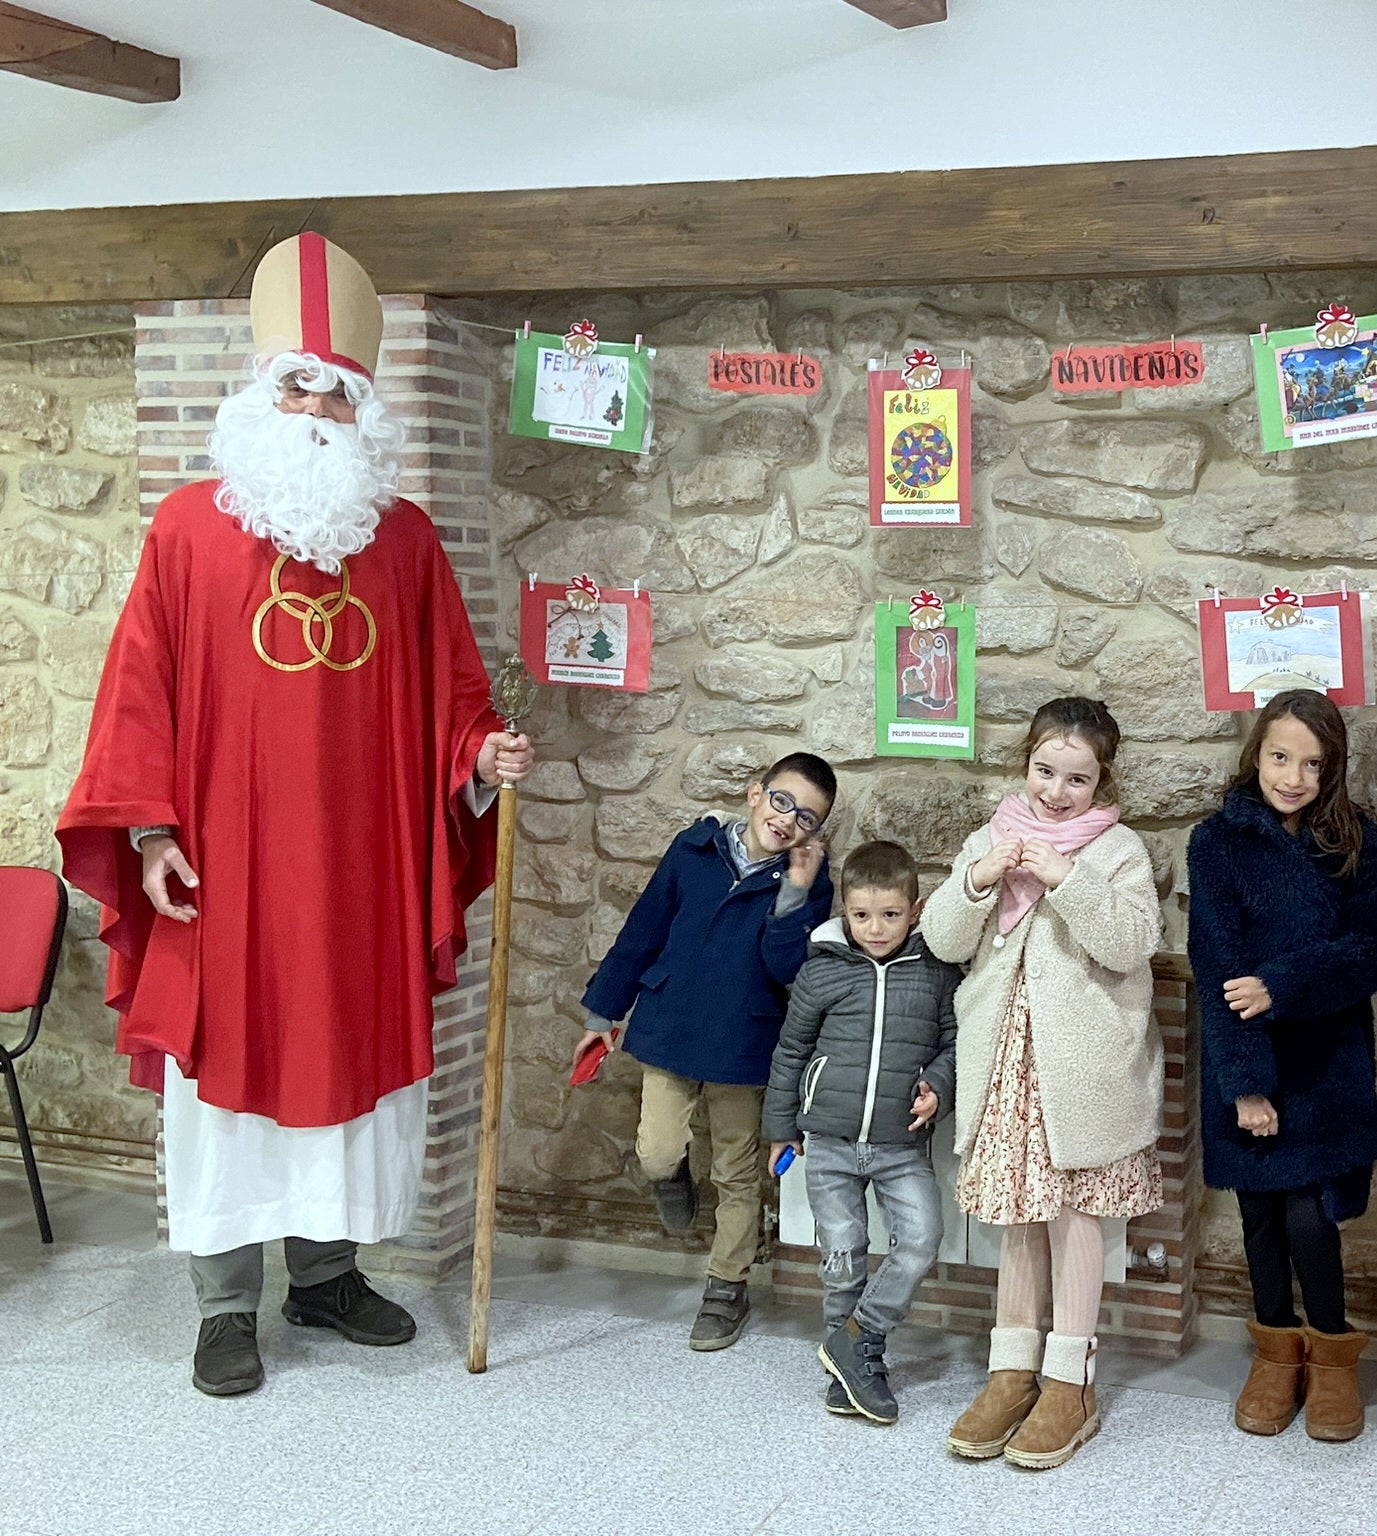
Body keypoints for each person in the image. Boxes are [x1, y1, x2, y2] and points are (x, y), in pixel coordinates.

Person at [56, 233, 532, 1397]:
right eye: (297, 382)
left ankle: (326, 1279)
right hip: (225, 873)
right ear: (259, 393)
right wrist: (154, 833)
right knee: (226, 1085)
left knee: (351, 1084)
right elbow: (138, 694)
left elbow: (452, 695)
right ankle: (226, 1307)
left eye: (338, 386)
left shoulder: (406, 541)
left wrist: (480, 753)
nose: (316, 401)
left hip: (361, 875)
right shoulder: (183, 532)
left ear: (364, 407)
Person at [922, 697, 1163, 1471]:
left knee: (1073, 1216)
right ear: (1025, 765)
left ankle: (1071, 1381)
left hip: (1081, 1070)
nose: (1057, 792)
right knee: (1018, 1219)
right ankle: (1010, 1373)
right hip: (1006, 1062)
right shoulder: (989, 837)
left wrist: (1065, 877)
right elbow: (944, 939)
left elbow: (1131, 944)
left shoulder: (1118, 850)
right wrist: (978, 879)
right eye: (1045, 772)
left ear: (1102, 781)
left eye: (1078, 779)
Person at [1187, 690, 1377, 1444]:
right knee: (1260, 1215)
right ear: (1256, 755)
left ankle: (1334, 1358)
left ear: (1332, 768)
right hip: (1248, 1058)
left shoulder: (1359, 844)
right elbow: (1214, 962)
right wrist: (1245, 1084)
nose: (1294, 776)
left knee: (1313, 1214)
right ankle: (1276, 1352)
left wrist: (1285, 984)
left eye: (1313, 764)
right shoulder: (1216, 842)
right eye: (1280, 757)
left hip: (1328, 1060)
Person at [579, 755, 836, 1351]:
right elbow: (644, 928)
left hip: (744, 1043)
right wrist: (602, 1014)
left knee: (738, 1173)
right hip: (671, 1025)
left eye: (807, 818)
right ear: (755, 793)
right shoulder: (693, 850)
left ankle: (727, 1286)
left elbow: (789, 970)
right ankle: (672, 1179)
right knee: (657, 1149)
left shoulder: (808, 883)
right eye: (781, 801)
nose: (788, 821)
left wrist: (795, 896)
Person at [762, 839, 959, 1425]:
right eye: (863, 915)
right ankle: (850, 1361)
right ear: (844, 911)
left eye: (891, 915)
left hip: (901, 1145)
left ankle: (857, 1338)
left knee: (922, 1240)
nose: (877, 928)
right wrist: (779, 1128)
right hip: (828, 1141)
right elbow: (791, 1050)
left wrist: (939, 1089)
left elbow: (954, 1040)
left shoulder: (935, 971)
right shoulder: (820, 971)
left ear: (915, 909)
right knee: (843, 1251)